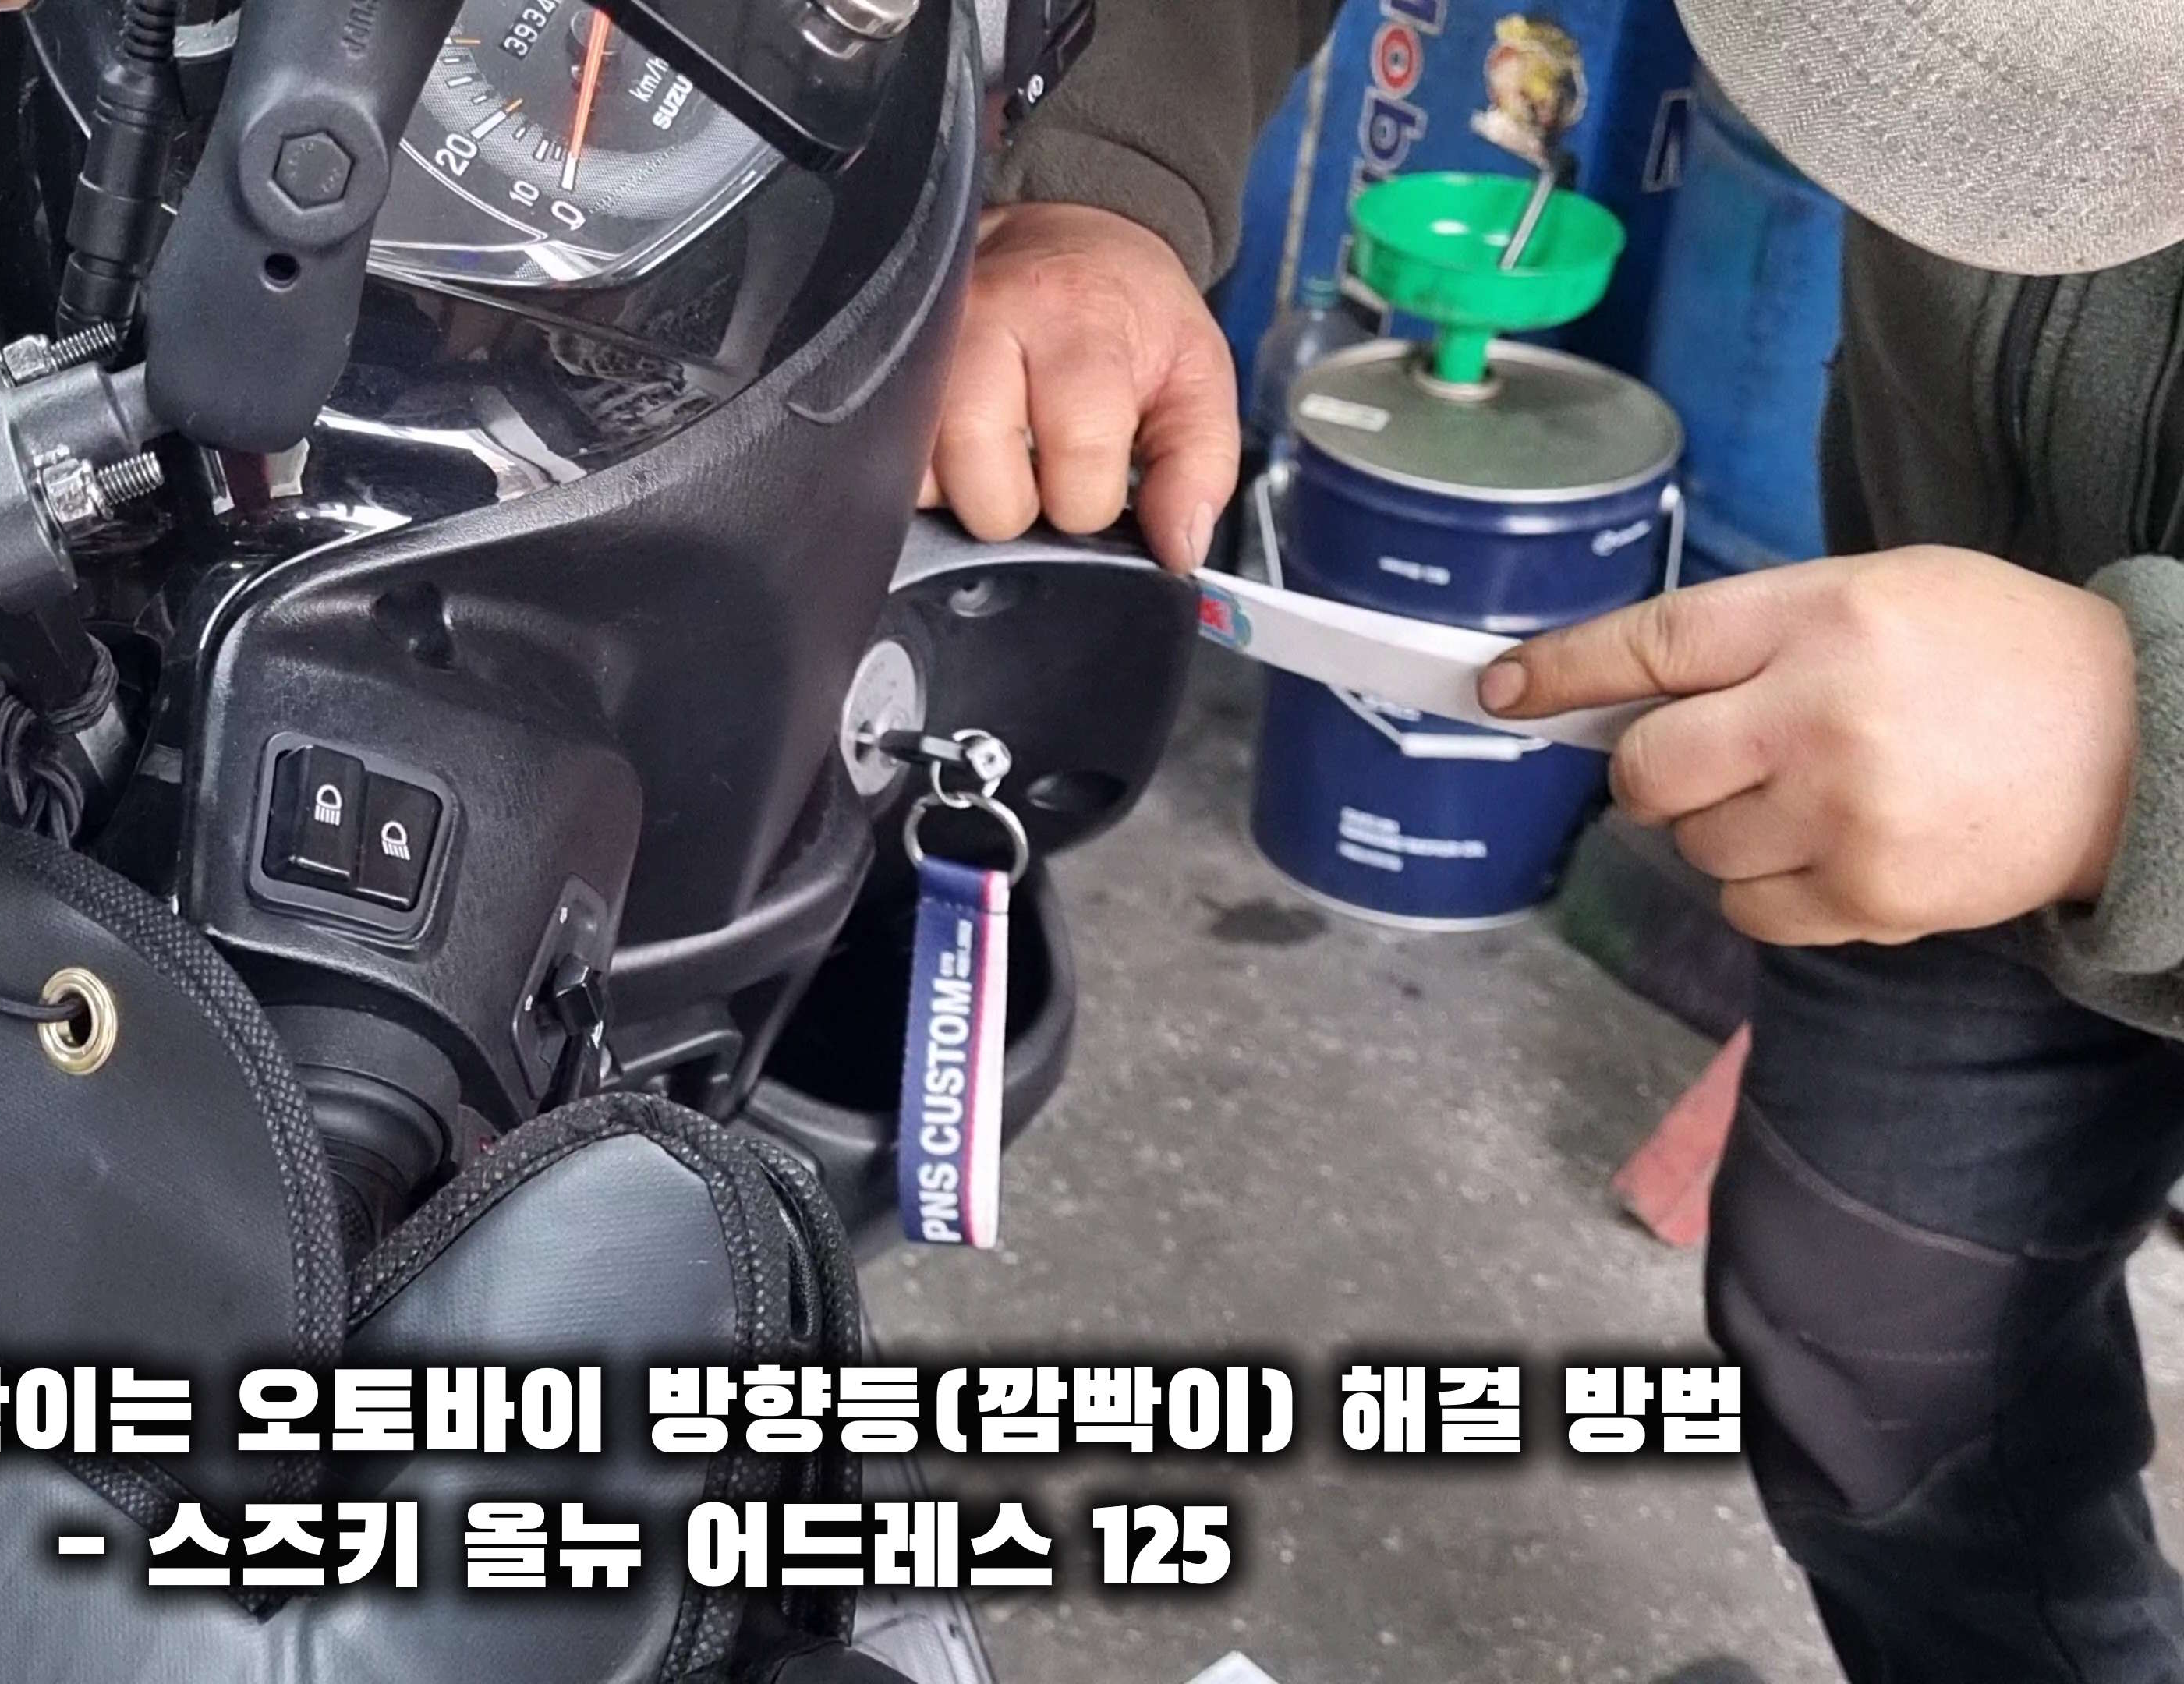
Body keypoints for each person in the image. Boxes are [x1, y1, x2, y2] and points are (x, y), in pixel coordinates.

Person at [930, 2, 2184, 1677]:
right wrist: (1114, 182)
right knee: (1875, 1358)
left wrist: (2143, 756)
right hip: (1935, 690)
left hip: (2077, 734)